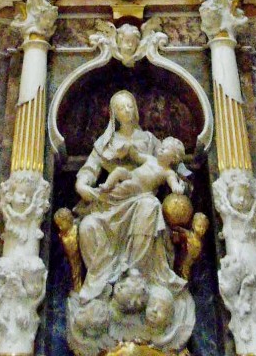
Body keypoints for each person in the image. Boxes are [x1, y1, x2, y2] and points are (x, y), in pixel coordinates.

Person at [74, 91, 187, 302]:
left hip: (142, 198)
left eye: (129, 106)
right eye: (121, 108)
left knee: (150, 205)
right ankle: (104, 285)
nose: (126, 111)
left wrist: (182, 183)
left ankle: (136, 276)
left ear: (135, 108)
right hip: (110, 202)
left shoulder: (151, 140)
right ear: (114, 114)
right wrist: (81, 185)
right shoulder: (105, 142)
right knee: (87, 226)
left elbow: (176, 166)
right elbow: (90, 168)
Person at [99, 137, 186, 200]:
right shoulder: (150, 158)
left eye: (166, 149)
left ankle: (110, 197)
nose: (161, 149)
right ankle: (107, 186)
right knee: (119, 170)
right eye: (162, 146)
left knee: (127, 185)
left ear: (173, 158)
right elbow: (136, 156)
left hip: (142, 189)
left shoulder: (168, 172)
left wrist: (176, 188)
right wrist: (130, 148)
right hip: (131, 176)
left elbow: (173, 183)